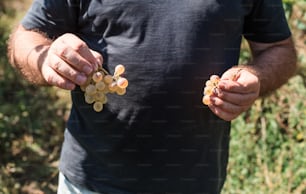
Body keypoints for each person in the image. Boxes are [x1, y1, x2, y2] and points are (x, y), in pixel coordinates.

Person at [8, 0, 297, 193]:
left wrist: (256, 76)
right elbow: (26, 38)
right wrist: (47, 60)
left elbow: (279, 49)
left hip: (195, 182)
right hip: (91, 182)